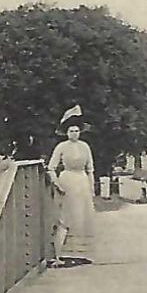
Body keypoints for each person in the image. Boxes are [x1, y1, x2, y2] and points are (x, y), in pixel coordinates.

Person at [48, 106, 96, 267]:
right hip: (67, 181)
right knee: (66, 217)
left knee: (82, 217)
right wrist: (57, 183)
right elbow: (51, 168)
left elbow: (90, 169)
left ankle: (80, 254)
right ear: (66, 133)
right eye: (71, 131)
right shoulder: (61, 147)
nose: (74, 134)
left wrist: (91, 187)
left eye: (76, 131)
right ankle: (61, 254)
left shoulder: (85, 146)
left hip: (81, 181)